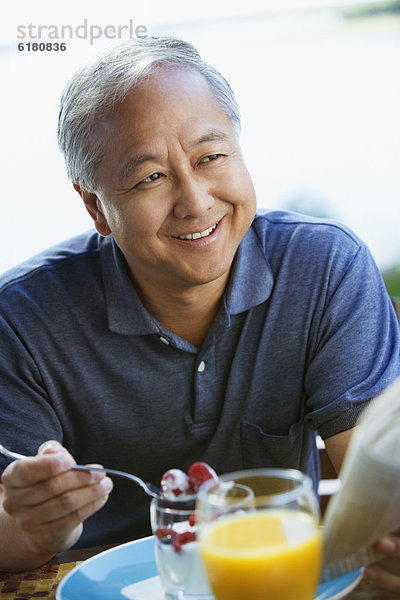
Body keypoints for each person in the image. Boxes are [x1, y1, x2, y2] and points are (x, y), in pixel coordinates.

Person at [0, 36, 399, 588]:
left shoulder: (323, 267)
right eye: (150, 178)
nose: (195, 201)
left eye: (210, 157)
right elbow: (8, 533)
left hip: (277, 582)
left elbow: (378, 480)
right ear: (96, 206)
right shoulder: (21, 319)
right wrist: (37, 527)